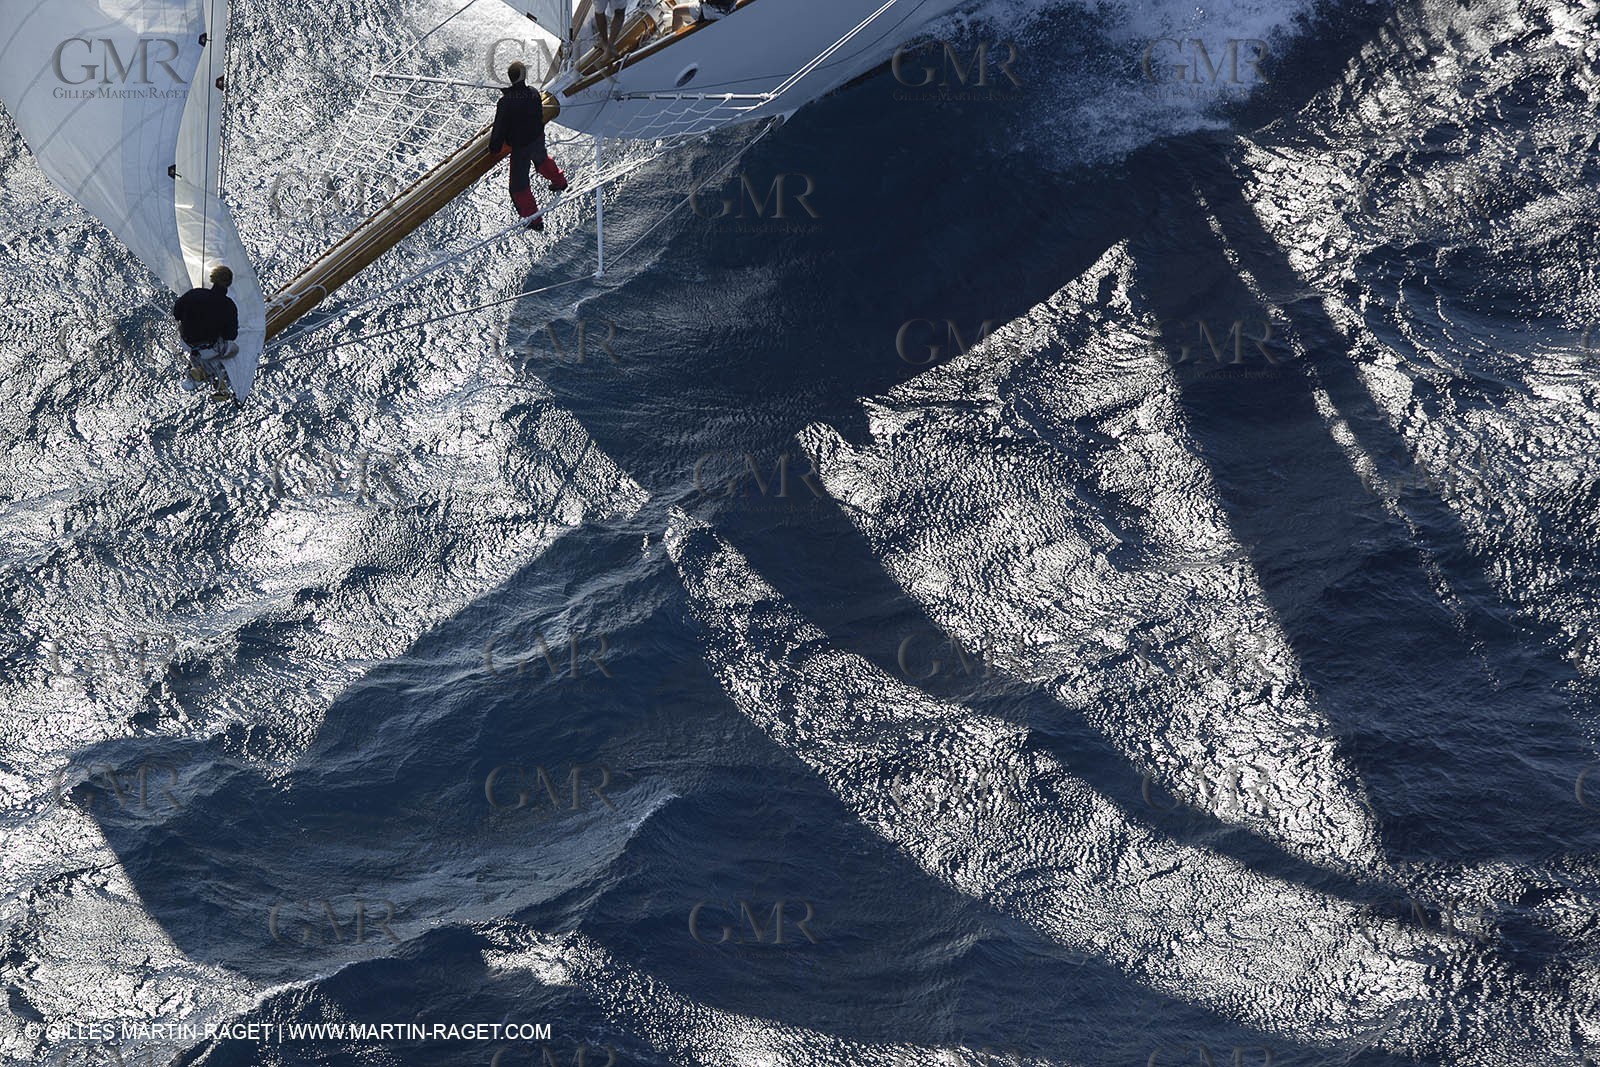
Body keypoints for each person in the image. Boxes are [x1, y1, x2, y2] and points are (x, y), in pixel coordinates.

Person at [488, 61, 569, 231]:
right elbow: (538, 114)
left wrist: (494, 148)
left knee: (519, 185)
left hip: (521, 146)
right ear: (524, 76)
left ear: (510, 78)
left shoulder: (506, 102)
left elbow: (500, 127)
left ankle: (534, 220)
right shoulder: (533, 92)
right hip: (537, 136)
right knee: (542, 161)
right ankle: (560, 182)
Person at [173, 265, 239, 393]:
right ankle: (210, 369)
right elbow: (231, 336)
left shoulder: (194, 293)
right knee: (234, 349)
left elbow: (177, 314)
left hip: (186, 344)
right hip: (208, 351)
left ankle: (197, 367)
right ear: (229, 284)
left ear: (212, 279)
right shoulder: (228, 305)